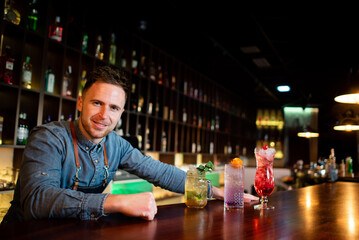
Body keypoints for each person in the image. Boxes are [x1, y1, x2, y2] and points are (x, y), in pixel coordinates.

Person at [2, 66, 257, 223]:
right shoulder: (49, 138)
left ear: (121, 113)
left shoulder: (117, 145)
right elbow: (37, 200)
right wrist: (114, 202)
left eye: (113, 107)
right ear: (80, 103)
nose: (104, 115)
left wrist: (218, 192)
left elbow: (161, 172)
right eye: (96, 103)